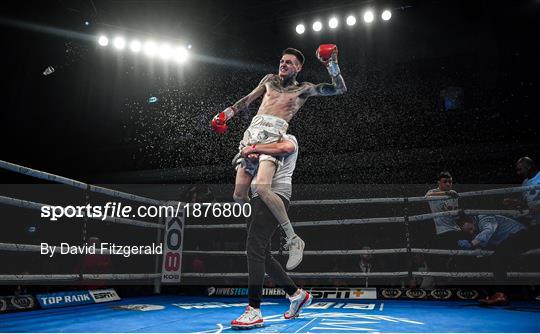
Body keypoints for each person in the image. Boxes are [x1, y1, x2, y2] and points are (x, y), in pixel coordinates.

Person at [212, 45, 347, 270]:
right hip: (252, 133)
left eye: (289, 62)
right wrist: (224, 115)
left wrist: (331, 65)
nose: (283, 65)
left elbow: (338, 89)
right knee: (238, 195)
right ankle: (259, 226)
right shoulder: (269, 80)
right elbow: (247, 99)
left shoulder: (304, 89)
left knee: (263, 189)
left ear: (299, 67)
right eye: (282, 61)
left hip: (272, 137)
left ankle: (293, 239)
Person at [231, 135, 313, 329]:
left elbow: (284, 148)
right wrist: (246, 160)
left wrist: (253, 148)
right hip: (256, 200)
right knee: (262, 255)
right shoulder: (258, 146)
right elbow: (240, 191)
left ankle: (254, 310)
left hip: (274, 197)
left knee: (254, 249)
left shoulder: (287, 138)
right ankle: (296, 294)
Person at [456, 214, 536, 305]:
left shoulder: (485, 219)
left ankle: (501, 295)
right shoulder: (477, 229)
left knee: (497, 259)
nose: (471, 232)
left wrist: (471, 243)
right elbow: (485, 242)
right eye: (469, 231)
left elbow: (488, 231)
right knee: (493, 260)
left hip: (521, 235)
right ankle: (498, 294)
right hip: (512, 240)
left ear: (472, 221)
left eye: (471, 229)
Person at [425, 171, 464, 248]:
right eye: (445, 181)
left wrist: (460, 214)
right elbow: (427, 196)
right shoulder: (433, 192)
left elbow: (455, 213)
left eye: (450, 181)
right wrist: (445, 194)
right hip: (443, 231)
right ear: (439, 182)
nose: (448, 184)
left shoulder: (453, 193)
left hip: (456, 229)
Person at [504, 157, 540, 225]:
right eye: (517, 170)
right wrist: (515, 202)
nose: (518, 173)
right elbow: (526, 203)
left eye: (520, 169)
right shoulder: (524, 183)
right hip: (533, 220)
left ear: (529, 167)